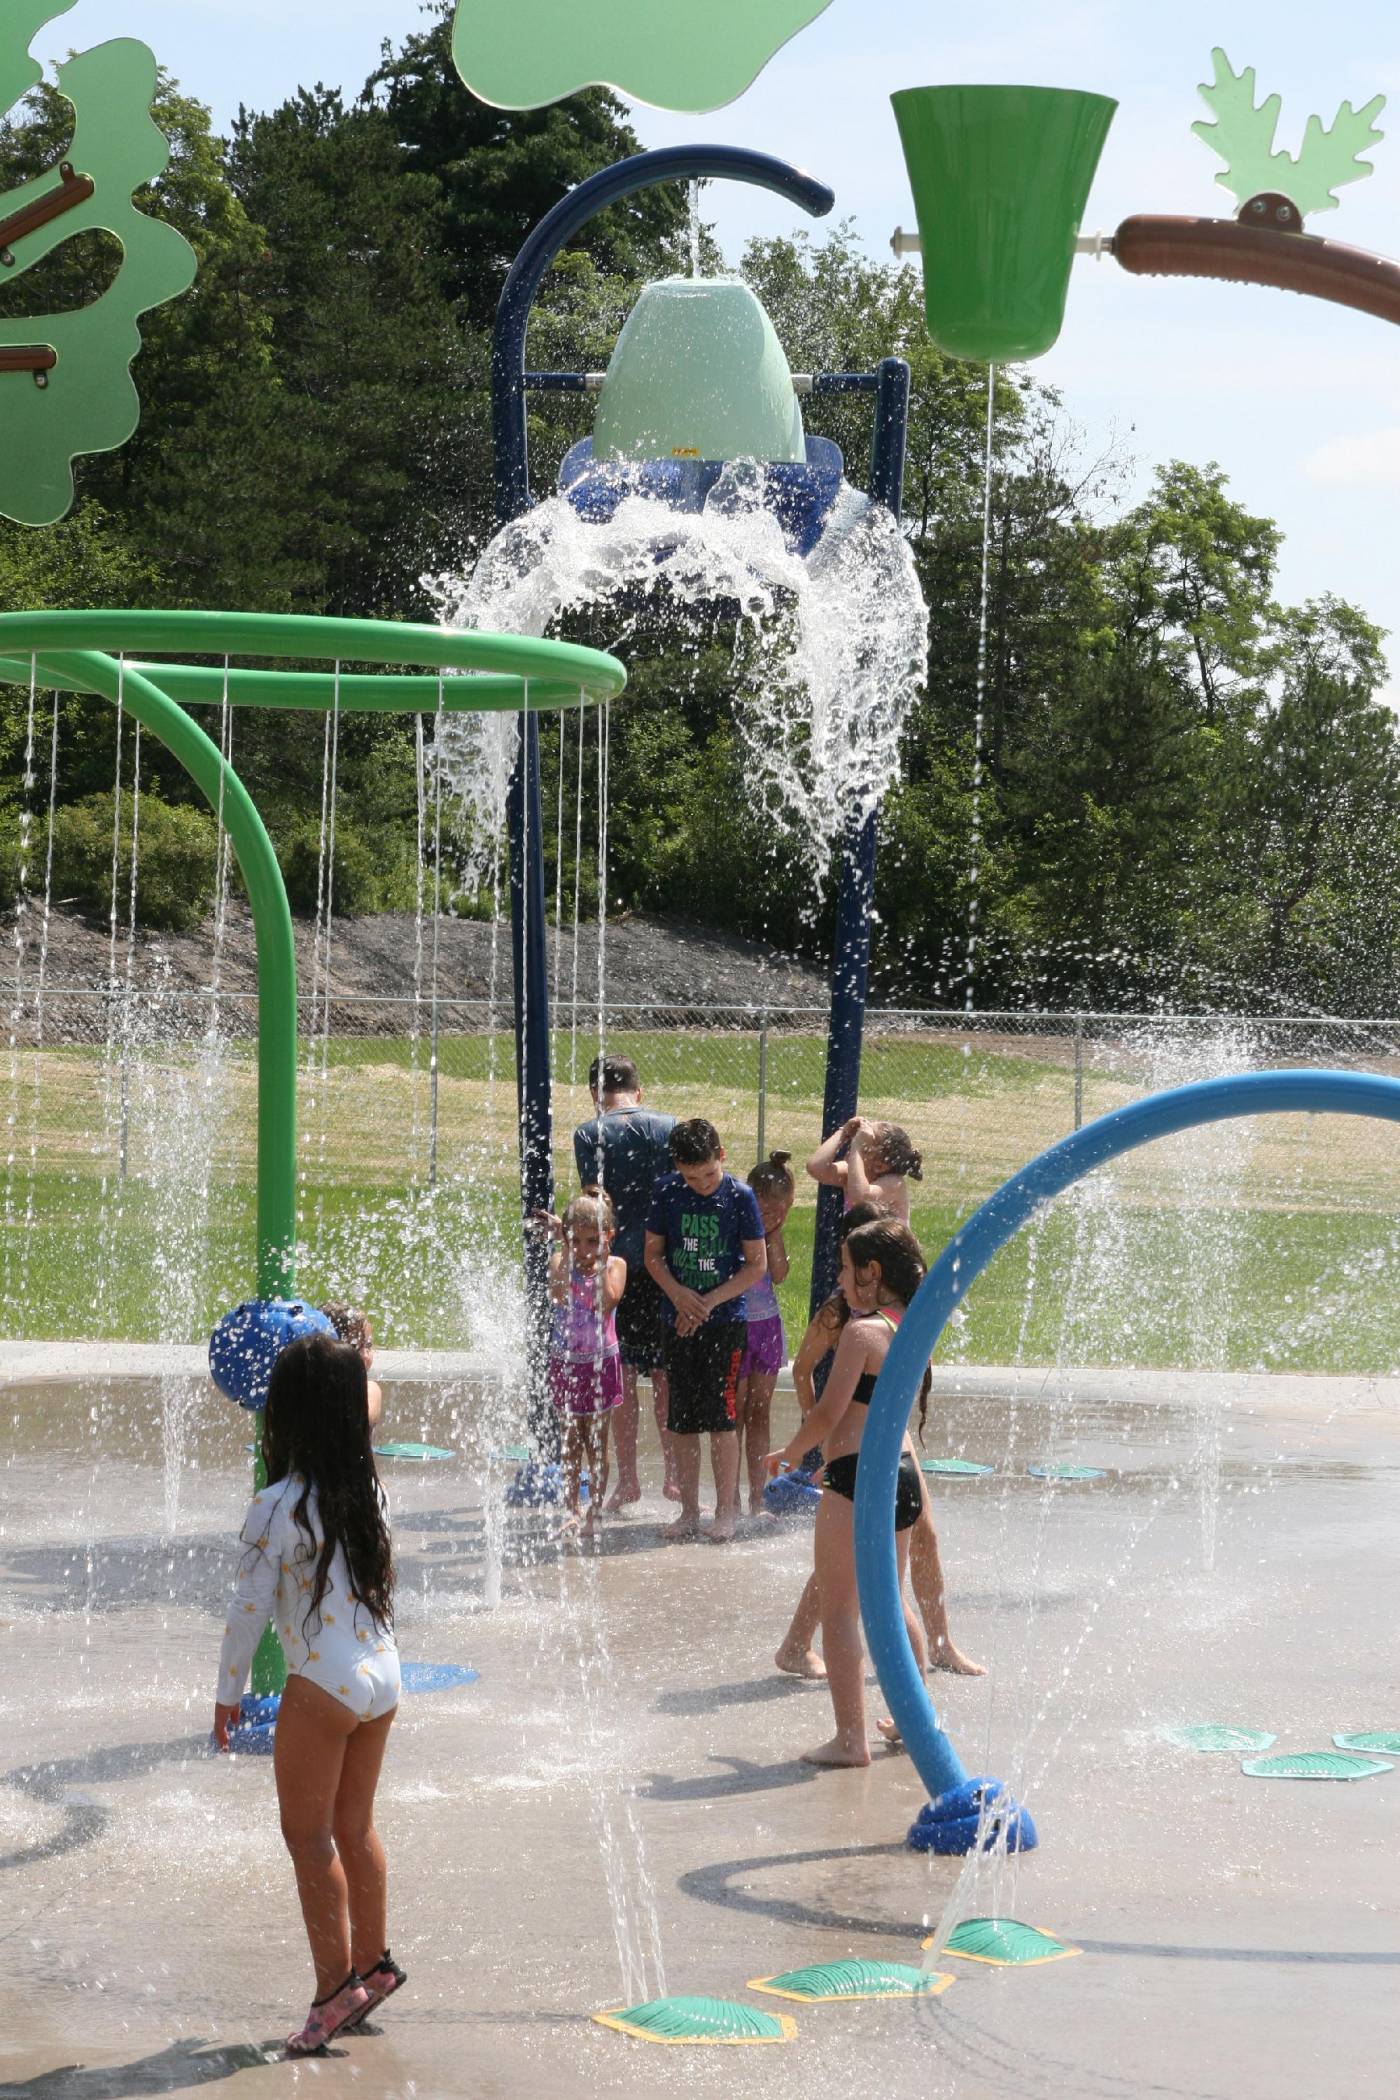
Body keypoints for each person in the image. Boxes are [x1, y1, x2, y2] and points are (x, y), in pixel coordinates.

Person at [212, 1333, 404, 2056]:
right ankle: (374, 1966)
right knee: (354, 1827)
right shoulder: (370, 1490)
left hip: (321, 1683)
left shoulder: (276, 1504)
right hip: (382, 1674)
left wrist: (228, 1693)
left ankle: (333, 1992)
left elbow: (245, 1615)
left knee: (308, 1837)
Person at [766, 1217, 938, 1767]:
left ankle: (850, 1738)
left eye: (844, 1267)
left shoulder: (862, 1335)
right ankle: (915, 1720)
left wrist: (790, 1454)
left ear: (871, 1272)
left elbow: (828, 1414)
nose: (838, 1278)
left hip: (860, 1480)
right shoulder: (912, 1324)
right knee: (892, 1598)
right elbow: (873, 1415)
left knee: (840, 1608)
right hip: (902, 1475)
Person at [644, 1117, 766, 1544]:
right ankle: (690, 1510)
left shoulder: (740, 1197)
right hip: (676, 1319)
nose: (701, 1184)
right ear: (677, 1167)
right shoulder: (666, 1192)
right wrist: (679, 1295)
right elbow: (653, 1255)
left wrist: (708, 1301)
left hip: (724, 1322)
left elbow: (757, 1265)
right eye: (691, 1176)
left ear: (722, 1157)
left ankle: (727, 1510)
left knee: (722, 1418)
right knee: (681, 1419)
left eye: (709, 1174)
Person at [573, 1054, 677, 1508]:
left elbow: (599, 1204)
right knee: (666, 1375)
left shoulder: (588, 1134)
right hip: (667, 1263)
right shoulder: (669, 1126)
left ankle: (628, 1479)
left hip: (619, 1265)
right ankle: (675, 1476)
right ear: (639, 1091)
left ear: (595, 1094)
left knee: (624, 1375)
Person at [545, 1189, 627, 1533]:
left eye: (592, 1241)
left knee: (596, 1441)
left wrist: (602, 1261)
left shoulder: (615, 1266)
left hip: (599, 1363)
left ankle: (594, 1510)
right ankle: (571, 1510)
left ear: (607, 1238)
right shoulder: (559, 1262)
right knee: (570, 1441)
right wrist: (564, 1250)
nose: (583, 1250)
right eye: (575, 1241)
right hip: (565, 1362)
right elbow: (559, 1294)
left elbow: (607, 1302)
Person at [735, 1152, 795, 1517]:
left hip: (766, 1327)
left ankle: (758, 1495)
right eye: (766, 1210)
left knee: (760, 1412)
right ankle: (733, 1495)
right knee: (735, 1414)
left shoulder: (773, 1235)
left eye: (780, 1211)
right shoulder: (738, 1229)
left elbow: (780, 1272)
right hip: (738, 1327)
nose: (772, 1217)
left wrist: (773, 1232)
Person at [805, 1116, 923, 1222]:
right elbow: (815, 1168)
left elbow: (861, 1200)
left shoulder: (895, 1183)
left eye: (864, 1146)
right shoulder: (850, 1174)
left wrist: (857, 1147)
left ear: (879, 1166)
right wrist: (843, 1133)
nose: (853, 1142)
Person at [322, 1303, 384, 1430]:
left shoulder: (369, 1390)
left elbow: (362, 1420)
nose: (365, 1356)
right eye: (354, 1346)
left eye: (368, 1345)